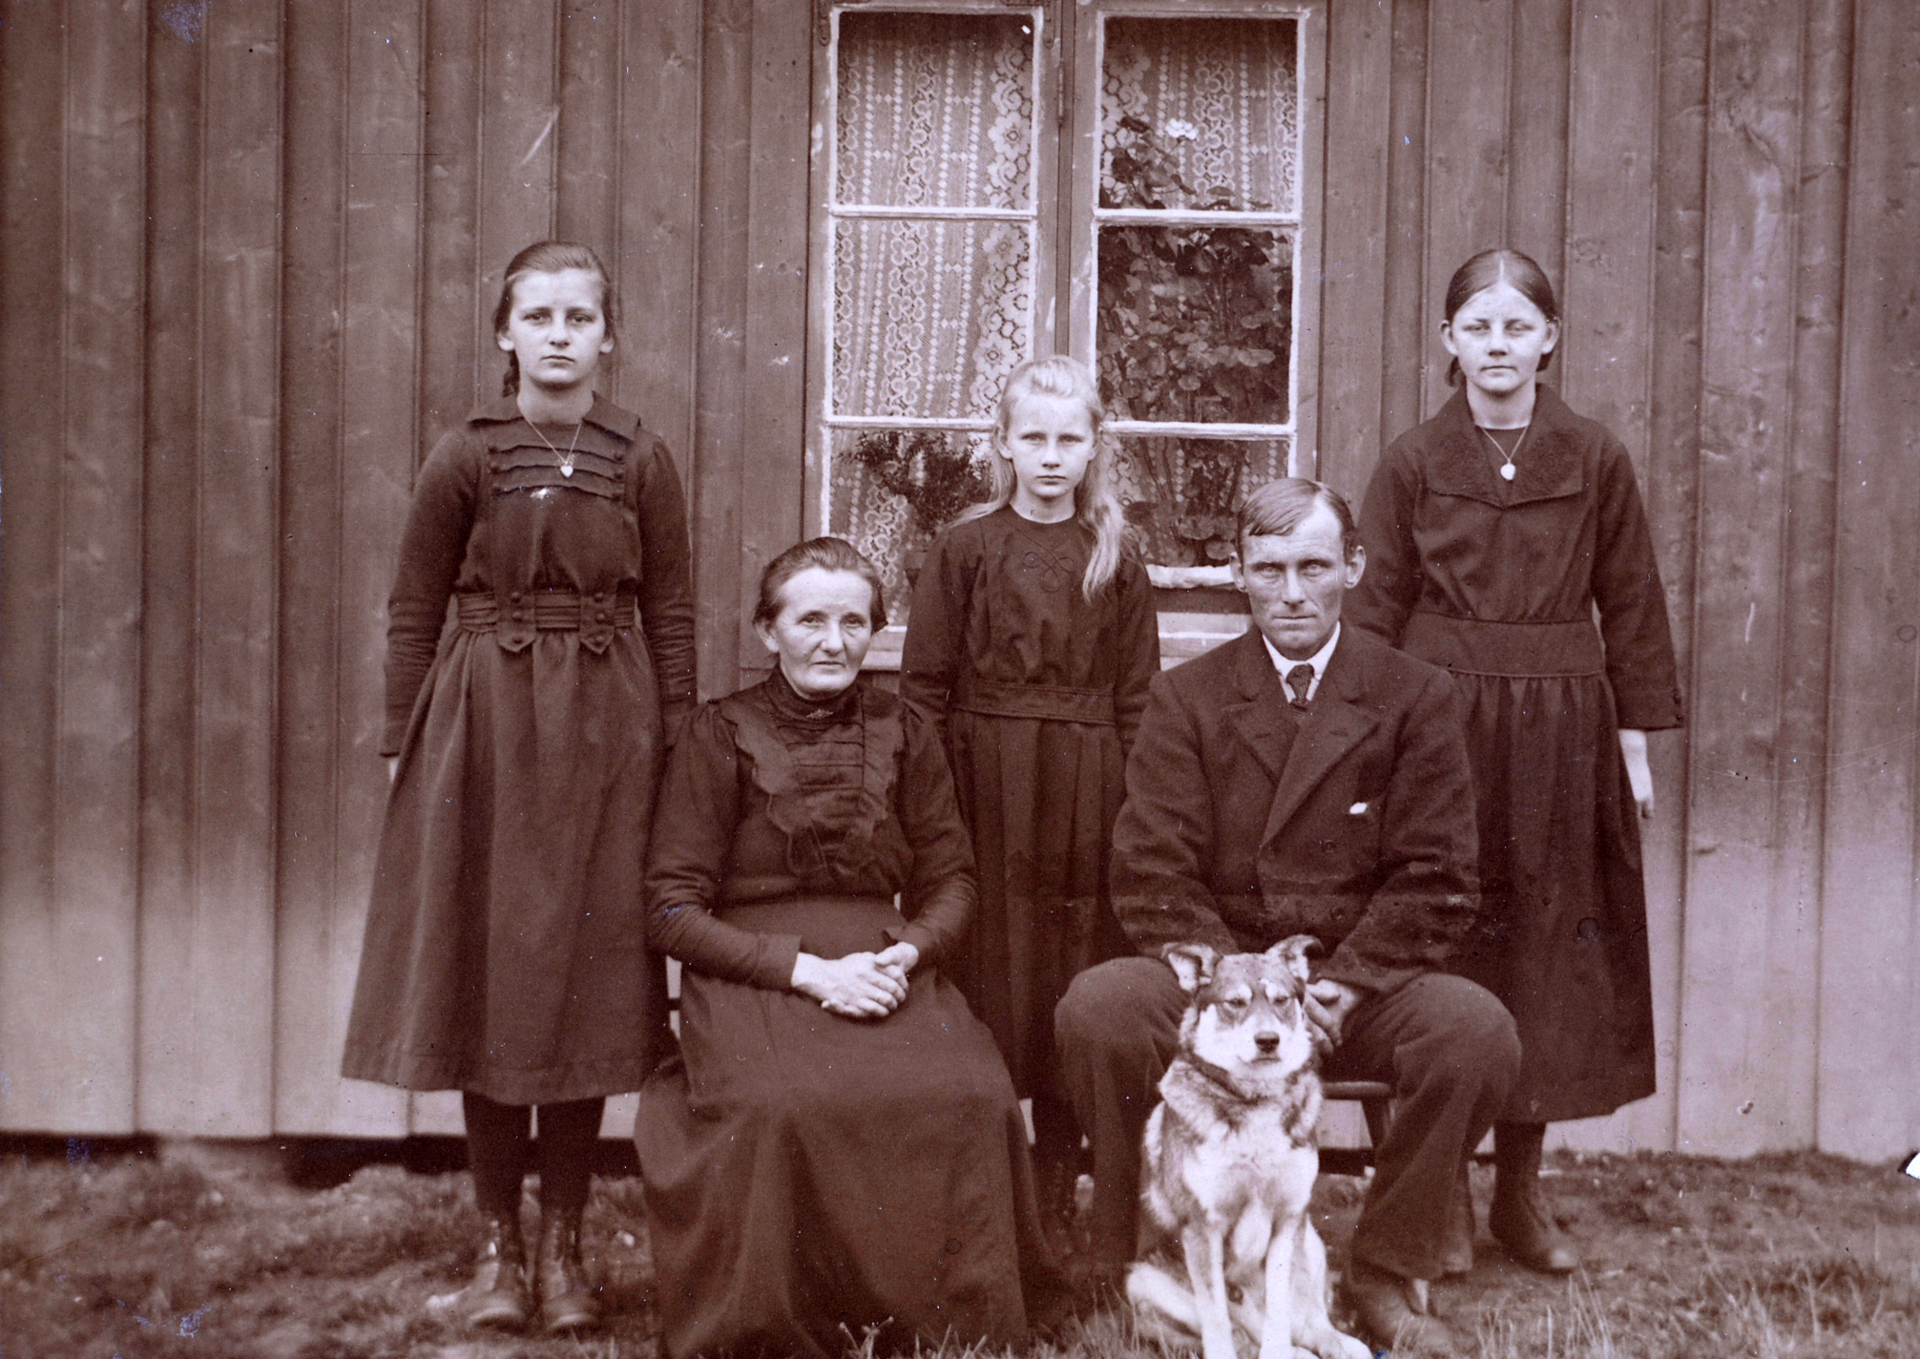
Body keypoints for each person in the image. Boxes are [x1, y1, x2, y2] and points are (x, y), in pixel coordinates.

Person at [1055, 478, 1520, 1357]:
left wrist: (1341, 985)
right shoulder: (1187, 696)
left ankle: (1386, 1267)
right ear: (1240, 574)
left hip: (1355, 977)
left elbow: (1437, 874)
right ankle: (1128, 1250)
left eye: (1314, 566)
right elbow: (1151, 866)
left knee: (1475, 1032)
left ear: (1353, 567)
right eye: (1269, 570)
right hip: (1223, 977)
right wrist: (1239, 984)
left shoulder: (1414, 693)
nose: (1293, 592)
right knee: (1101, 1009)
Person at [342, 242, 696, 1334]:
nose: (558, 334)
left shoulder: (641, 458)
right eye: (537, 316)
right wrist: (405, 745)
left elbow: (672, 613)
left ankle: (567, 1251)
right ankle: (498, 1252)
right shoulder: (467, 453)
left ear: (606, 334)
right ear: (505, 333)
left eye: (578, 317)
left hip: (607, 734)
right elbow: (413, 606)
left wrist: (677, 749)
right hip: (482, 729)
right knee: (491, 979)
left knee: (583, 981)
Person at [636, 538, 1065, 1358]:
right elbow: (670, 908)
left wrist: (910, 951)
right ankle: (794, 1317)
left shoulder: (904, 729)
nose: (833, 642)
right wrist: (805, 970)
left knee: (973, 1093)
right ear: (768, 630)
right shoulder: (719, 734)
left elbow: (952, 878)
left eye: (854, 622)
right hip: (756, 970)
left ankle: (947, 1318)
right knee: (780, 1105)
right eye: (811, 621)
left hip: (882, 962)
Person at [1346, 249, 1683, 1276]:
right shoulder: (1413, 460)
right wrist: (1370, 745)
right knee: (1443, 939)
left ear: (1549, 340)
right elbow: (1375, 608)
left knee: (1546, 952)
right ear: (1449, 341)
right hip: (1440, 725)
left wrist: (1631, 749)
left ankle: (1519, 1195)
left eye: (1517, 327)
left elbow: (1631, 601)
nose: (1498, 346)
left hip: (1561, 734)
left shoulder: (1594, 456)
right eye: (1478, 327)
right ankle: (1439, 1190)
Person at [900, 355, 1160, 1204]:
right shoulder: (964, 548)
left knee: (1070, 960)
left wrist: (1131, 807)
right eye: (1034, 438)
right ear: (1003, 443)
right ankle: (986, 1172)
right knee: (988, 961)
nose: (1051, 456)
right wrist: (931, 806)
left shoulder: (1115, 556)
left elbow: (1138, 698)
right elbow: (923, 690)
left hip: (1089, 785)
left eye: (1069, 440)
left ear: (1093, 448)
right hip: (984, 780)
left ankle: (1057, 1165)